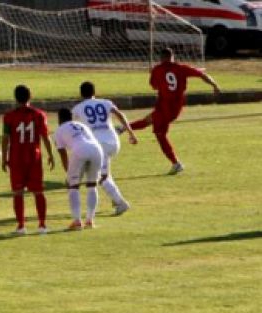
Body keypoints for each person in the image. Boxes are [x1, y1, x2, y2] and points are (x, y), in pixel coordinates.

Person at [122, 47, 220, 175]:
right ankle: (122, 128)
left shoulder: (157, 69)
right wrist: (214, 85)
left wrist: (157, 78)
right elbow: (202, 75)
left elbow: (154, 86)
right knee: (152, 125)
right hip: (173, 107)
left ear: (162, 58)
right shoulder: (181, 68)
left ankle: (122, 128)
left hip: (166, 107)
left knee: (157, 131)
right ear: (172, 57)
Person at [72, 81, 138, 215]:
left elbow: (71, 126)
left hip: (98, 145)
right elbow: (120, 115)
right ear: (94, 92)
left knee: (99, 177)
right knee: (105, 173)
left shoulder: (78, 108)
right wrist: (131, 133)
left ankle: (121, 203)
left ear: (81, 93)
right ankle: (115, 198)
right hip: (114, 142)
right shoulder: (106, 102)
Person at [1, 85, 55, 235]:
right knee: (38, 192)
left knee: (18, 192)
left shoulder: (9, 116)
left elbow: (5, 139)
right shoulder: (39, 114)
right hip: (34, 157)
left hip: (16, 158)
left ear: (15, 97)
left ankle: (21, 226)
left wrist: (4, 157)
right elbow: (45, 137)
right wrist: (50, 154)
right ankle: (42, 225)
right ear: (30, 97)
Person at [55, 108, 104, 231]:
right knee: (92, 185)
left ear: (59, 119)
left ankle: (77, 221)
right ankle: (90, 220)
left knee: (73, 186)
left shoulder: (59, 130)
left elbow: (62, 152)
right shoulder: (82, 125)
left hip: (79, 150)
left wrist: (68, 172)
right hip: (97, 150)